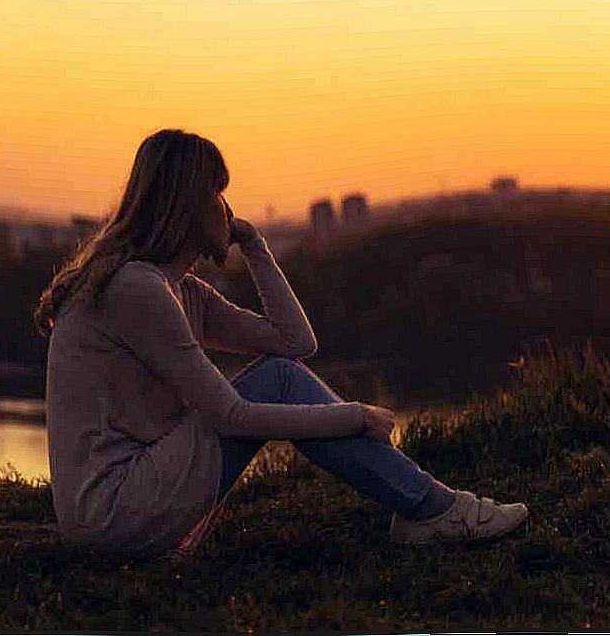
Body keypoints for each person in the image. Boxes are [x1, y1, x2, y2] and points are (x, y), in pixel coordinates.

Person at [32, 127, 529, 563]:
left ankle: (421, 506)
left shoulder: (178, 291)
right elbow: (234, 416)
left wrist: (255, 247)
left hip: (128, 507)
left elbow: (296, 342)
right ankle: (435, 510)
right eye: (217, 193)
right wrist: (355, 415)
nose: (227, 208)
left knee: (279, 371)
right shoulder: (136, 288)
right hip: (115, 514)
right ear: (187, 205)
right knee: (276, 380)